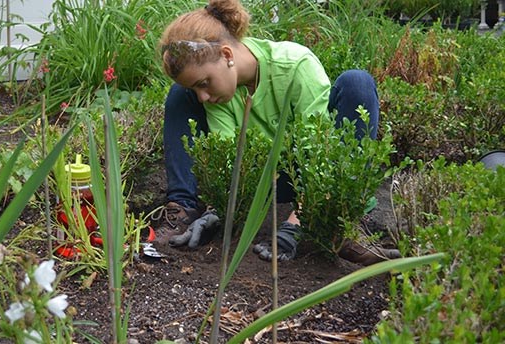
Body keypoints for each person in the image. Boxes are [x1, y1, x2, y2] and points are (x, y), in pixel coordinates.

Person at [151, 0, 400, 266]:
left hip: (306, 176)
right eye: (198, 88)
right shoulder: (218, 95)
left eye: (204, 83)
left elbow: (317, 153)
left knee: (357, 83)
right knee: (181, 95)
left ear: (226, 55)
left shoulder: (294, 64)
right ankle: (184, 209)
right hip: (260, 180)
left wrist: (297, 223)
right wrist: (218, 209)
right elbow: (230, 163)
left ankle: (342, 221)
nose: (202, 97)